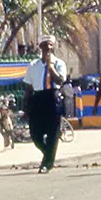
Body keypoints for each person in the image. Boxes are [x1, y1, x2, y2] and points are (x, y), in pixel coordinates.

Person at [23, 35, 68, 174]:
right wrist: (26, 107)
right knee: (35, 134)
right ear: (40, 47)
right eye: (44, 45)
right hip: (38, 99)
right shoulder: (33, 65)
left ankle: (47, 163)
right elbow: (29, 88)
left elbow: (60, 81)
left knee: (52, 133)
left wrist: (50, 67)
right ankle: (48, 154)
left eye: (49, 46)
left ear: (52, 47)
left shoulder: (59, 63)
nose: (47, 49)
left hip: (53, 97)